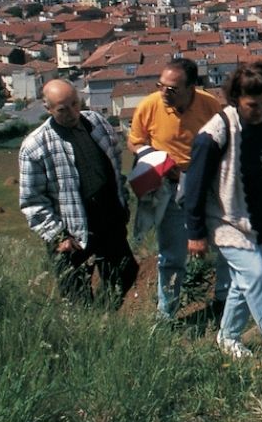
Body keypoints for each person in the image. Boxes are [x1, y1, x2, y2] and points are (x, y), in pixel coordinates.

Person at [182, 62, 262, 373]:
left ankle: (228, 336)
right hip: (227, 222)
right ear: (236, 99)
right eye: (251, 105)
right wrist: (195, 232)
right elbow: (193, 185)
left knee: (244, 282)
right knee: (258, 276)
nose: (259, 110)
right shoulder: (216, 132)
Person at [18, 78, 137, 307]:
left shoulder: (97, 123)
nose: (73, 113)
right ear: (48, 109)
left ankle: (105, 315)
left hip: (106, 215)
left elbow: (114, 164)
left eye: (75, 103)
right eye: (63, 109)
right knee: (76, 295)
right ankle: (87, 331)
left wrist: (122, 201)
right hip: (70, 228)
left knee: (124, 273)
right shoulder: (35, 146)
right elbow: (32, 201)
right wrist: (58, 236)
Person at [128, 56, 227, 320]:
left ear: (191, 87)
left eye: (171, 89)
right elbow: (135, 142)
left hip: (207, 184)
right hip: (170, 187)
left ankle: (223, 300)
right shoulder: (150, 106)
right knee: (172, 254)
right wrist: (156, 160)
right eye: (160, 85)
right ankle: (167, 314)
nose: (164, 93)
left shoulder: (210, 105)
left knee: (224, 244)